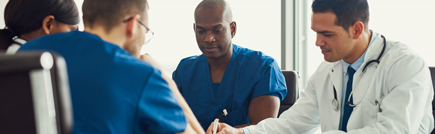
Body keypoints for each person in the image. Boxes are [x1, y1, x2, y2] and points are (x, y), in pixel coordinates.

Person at [207, 0, 434, 133]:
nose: (317, 42)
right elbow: (291, 123)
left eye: (326, 34)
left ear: (356, 30)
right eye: (316, 32)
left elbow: (395, 131)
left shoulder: (405, 66)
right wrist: (241, 132)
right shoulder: (326, 71)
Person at [18, 0, 203, 133]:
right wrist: (166, 80)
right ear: (132, 24)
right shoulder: (142, 74)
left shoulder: (30, 50)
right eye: (146, 30)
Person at [172, 0, 287, 130]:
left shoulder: (263, 68)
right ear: (194, 29)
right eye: (201, 31)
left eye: (217, 30)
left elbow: (263, 129)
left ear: (232, 29)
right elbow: (170, 120)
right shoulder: (185, 70)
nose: (208, 38)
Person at [0, 0, 79, 54]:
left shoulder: (9, 53)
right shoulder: (34, 63)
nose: (74, 37)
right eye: (72, 31)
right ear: (48, 25)